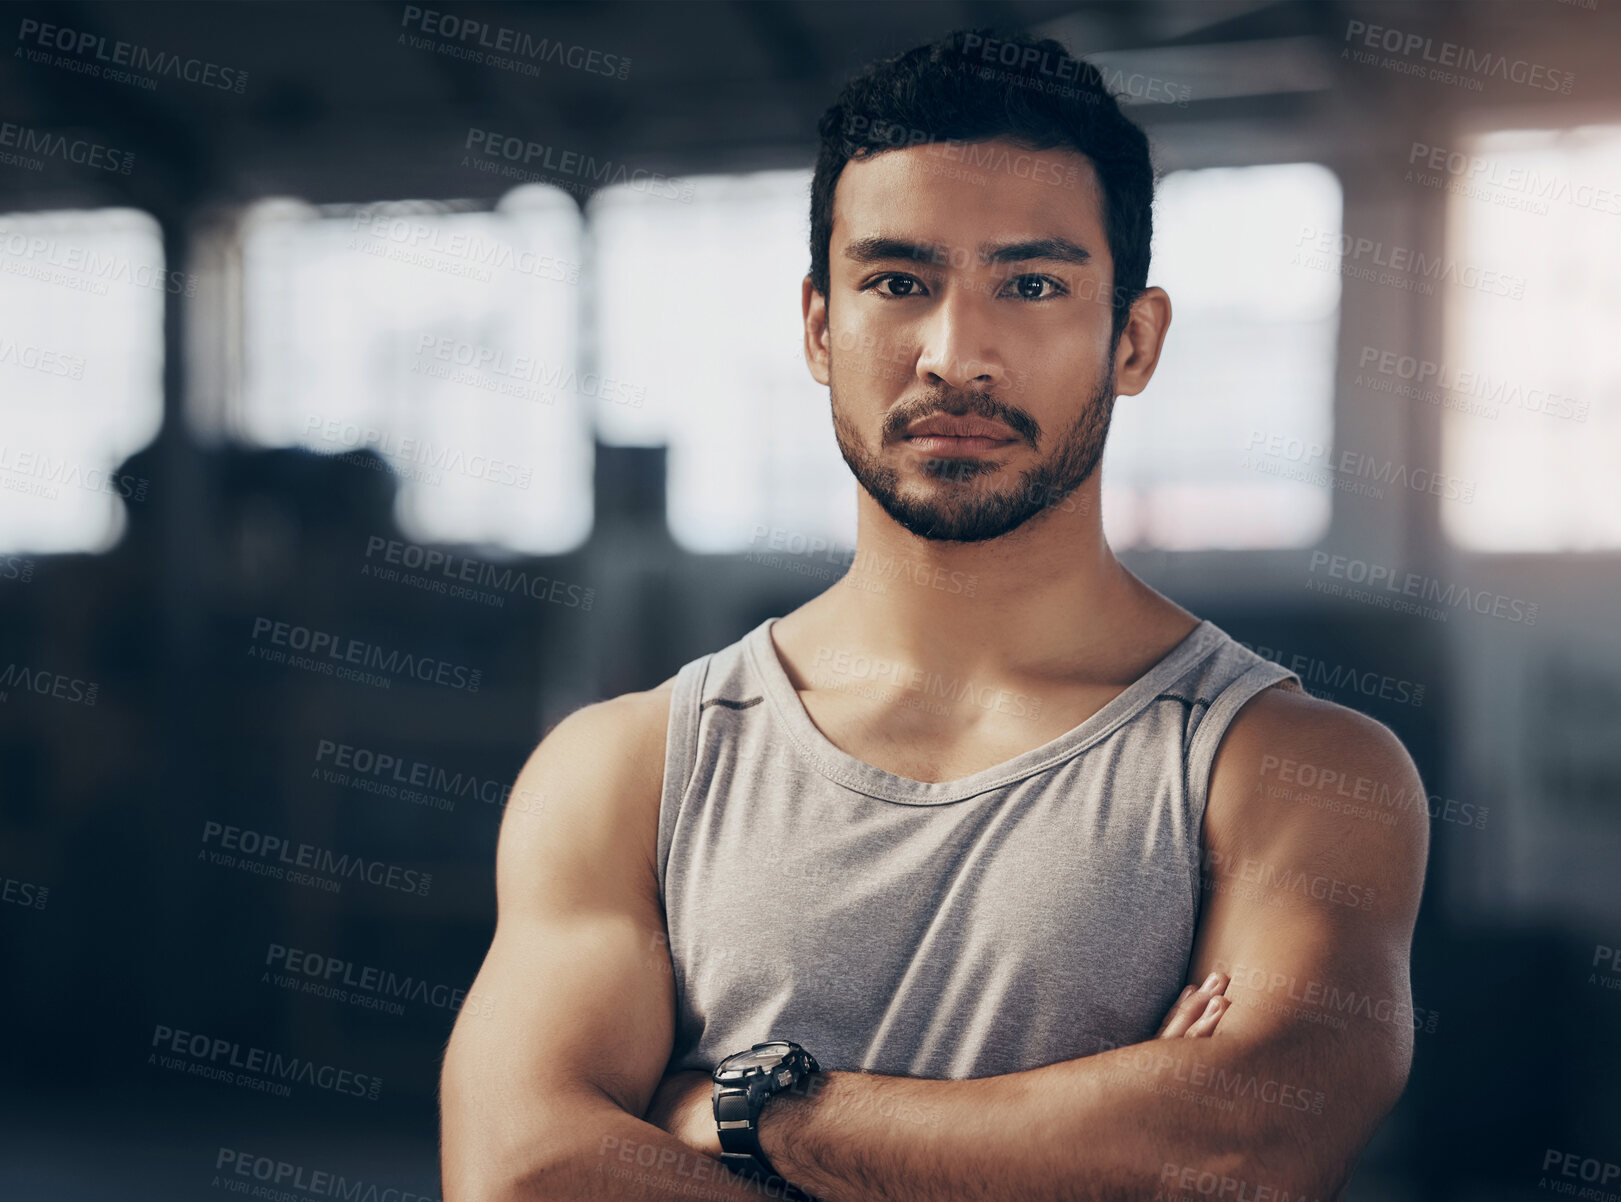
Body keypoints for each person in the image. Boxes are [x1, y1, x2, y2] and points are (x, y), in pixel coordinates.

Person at [439, 26, 1429, 1202]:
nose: (958, 353)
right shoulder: (630, 766)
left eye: (1033, 284)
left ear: (1134, 338)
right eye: (899, 282)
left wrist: (750, 1111)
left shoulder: (1293, 771)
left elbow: (1235, 1148)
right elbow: (526, 1169)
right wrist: (1081, 1138)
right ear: (819, 327)